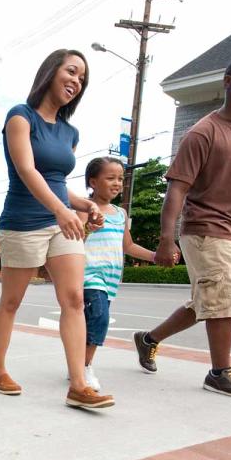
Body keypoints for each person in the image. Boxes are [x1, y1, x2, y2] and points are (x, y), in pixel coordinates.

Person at [133, 50, 231, 399]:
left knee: (206, 302)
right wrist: (166, 239)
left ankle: (148, 339)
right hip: (205, 229)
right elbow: (177, 189)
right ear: (229, 82)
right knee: (225, 297)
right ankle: (220, 372)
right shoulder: (203, 133)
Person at [0, 49, 114, 409]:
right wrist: (61, 210)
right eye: (71, 71)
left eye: (82, 78)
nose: (76, 81)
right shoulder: (20, 117)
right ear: (51, 72)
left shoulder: (70, 132)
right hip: (23, 222)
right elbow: (28, 171)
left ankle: (78, 384)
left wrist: (86, 204)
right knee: (11, 301)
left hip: (62, 223)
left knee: (74, 299)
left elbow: (58, 181)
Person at [80, 156, 166, 393]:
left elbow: (127, 246)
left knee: (90, 323)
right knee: (99, 319)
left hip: (111, 279)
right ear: (93, 182)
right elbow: (74, 239)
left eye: (120, 179)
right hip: (89, 275)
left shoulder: (120, 213)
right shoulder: (84, 208)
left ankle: (78, 365)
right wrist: (87, 226)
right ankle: (84, 368)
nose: (117, 183)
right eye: (110, 178)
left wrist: (154, 256)